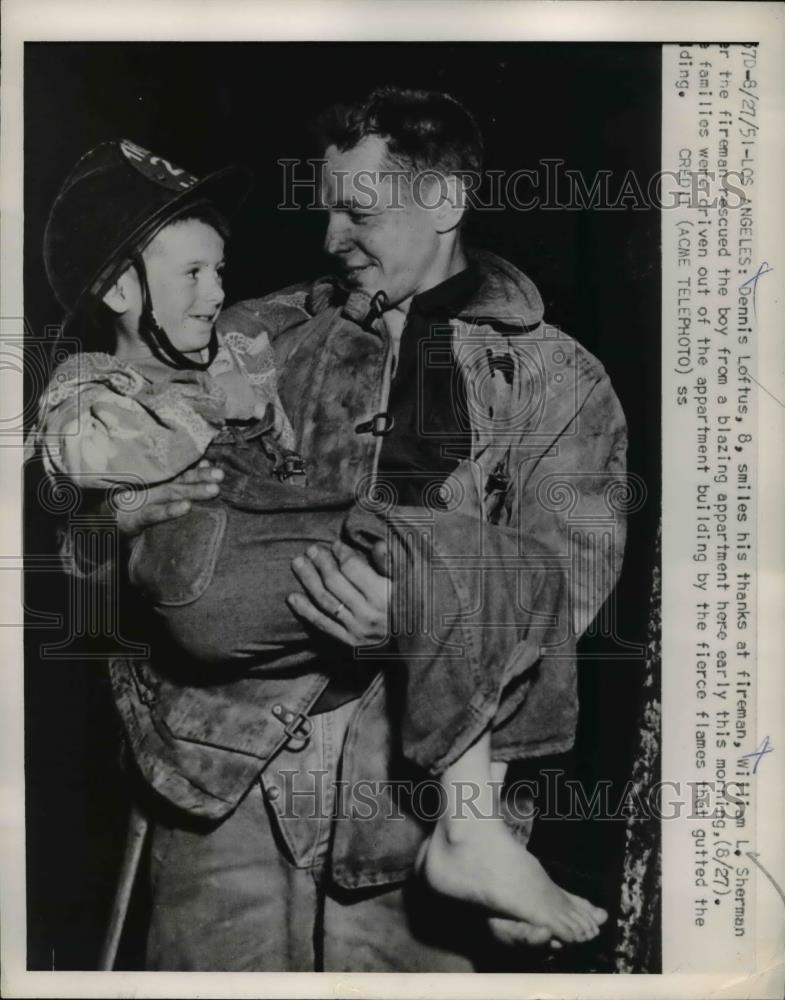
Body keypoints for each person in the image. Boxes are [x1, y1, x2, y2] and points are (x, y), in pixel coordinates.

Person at [50, 88, 627, 971]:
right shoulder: (251, 337)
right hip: (221, 784)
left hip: (410, 799)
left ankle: (475, 848)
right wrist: (112, 523)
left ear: (444, 203)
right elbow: (109, 540)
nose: (330, 238)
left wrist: (408, 618)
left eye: (358, 211)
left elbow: (567, 580)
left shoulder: (559, 377)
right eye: (325, 207)